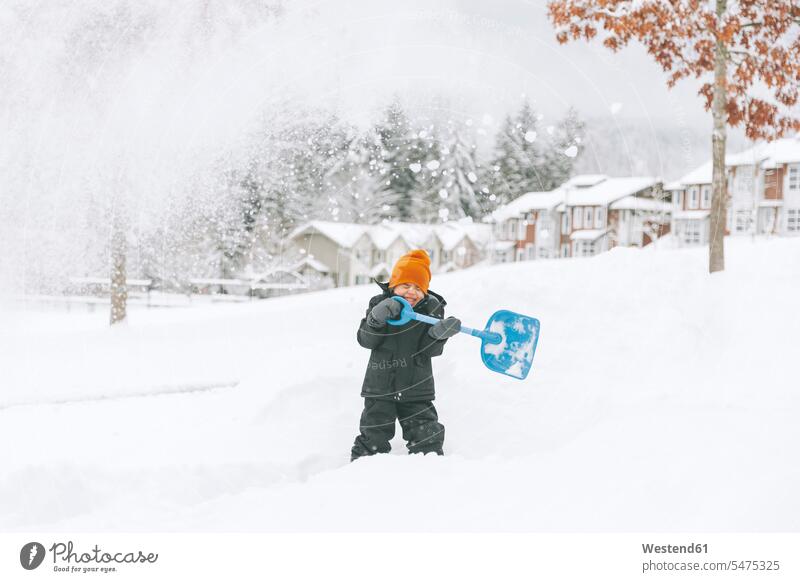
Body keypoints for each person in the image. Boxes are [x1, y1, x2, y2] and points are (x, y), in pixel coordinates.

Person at [350, 249, 461, 461]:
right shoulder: (379, 304)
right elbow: (366, 340)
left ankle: (431, 470)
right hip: (380, 386)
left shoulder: (431, 308)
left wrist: (439, 335)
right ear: (393, 286)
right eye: (405, 285)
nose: (411, 291)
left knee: (427, 434)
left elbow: (429, 350)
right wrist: (375, 319)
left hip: (417, 387)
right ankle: (361, 471)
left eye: (418, 287)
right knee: (373, 434)